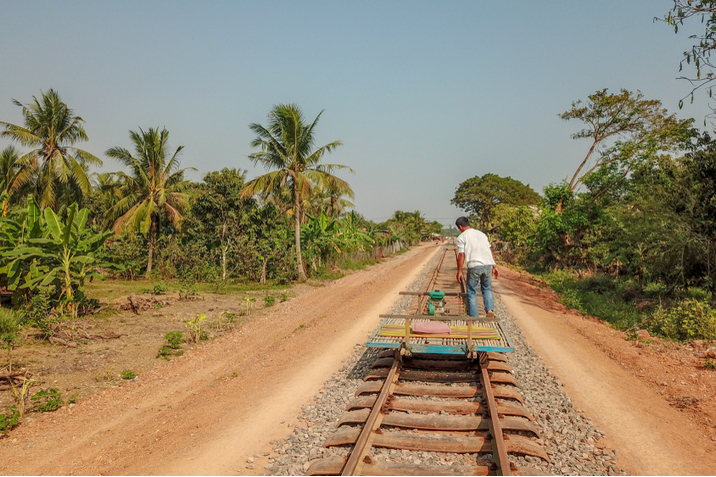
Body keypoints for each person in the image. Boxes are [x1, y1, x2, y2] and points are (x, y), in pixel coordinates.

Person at [454, 216, 498, 318]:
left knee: (471, 291)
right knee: (487, 288)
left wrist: (459, 271)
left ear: (460, 227)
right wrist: (494, 265)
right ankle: (489, 310)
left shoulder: (462, 237)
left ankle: (474, 317)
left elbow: (461, 255)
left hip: (475, 265)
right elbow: (490, 250)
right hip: (487, 265)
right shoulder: (482, 234)